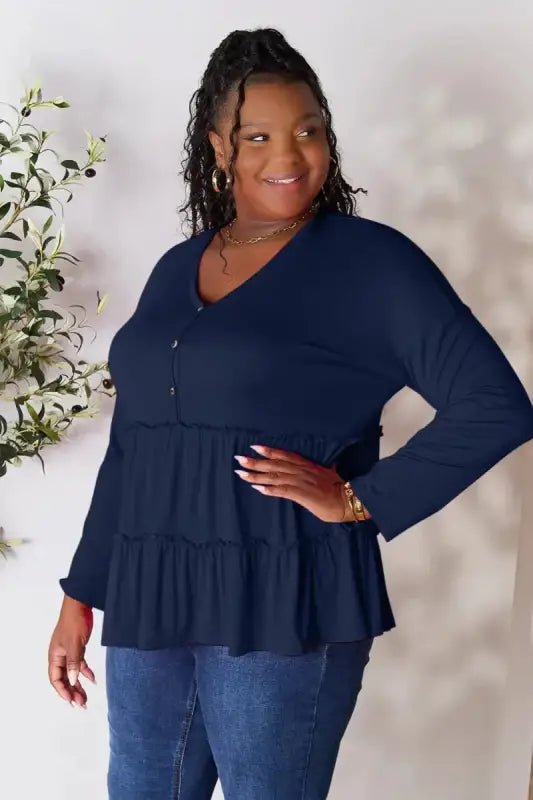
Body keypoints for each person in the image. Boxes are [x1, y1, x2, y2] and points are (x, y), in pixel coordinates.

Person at [47, 26, 533, 800]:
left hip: (283, 592)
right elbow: (135, 445)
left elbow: (496, 406)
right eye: (258, 136)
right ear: (218, 147)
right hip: (151, 589)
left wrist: (357, 498)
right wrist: (82, 594)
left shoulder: (371, 264)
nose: (289, 155)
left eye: (308, 131)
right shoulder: (178, 267)